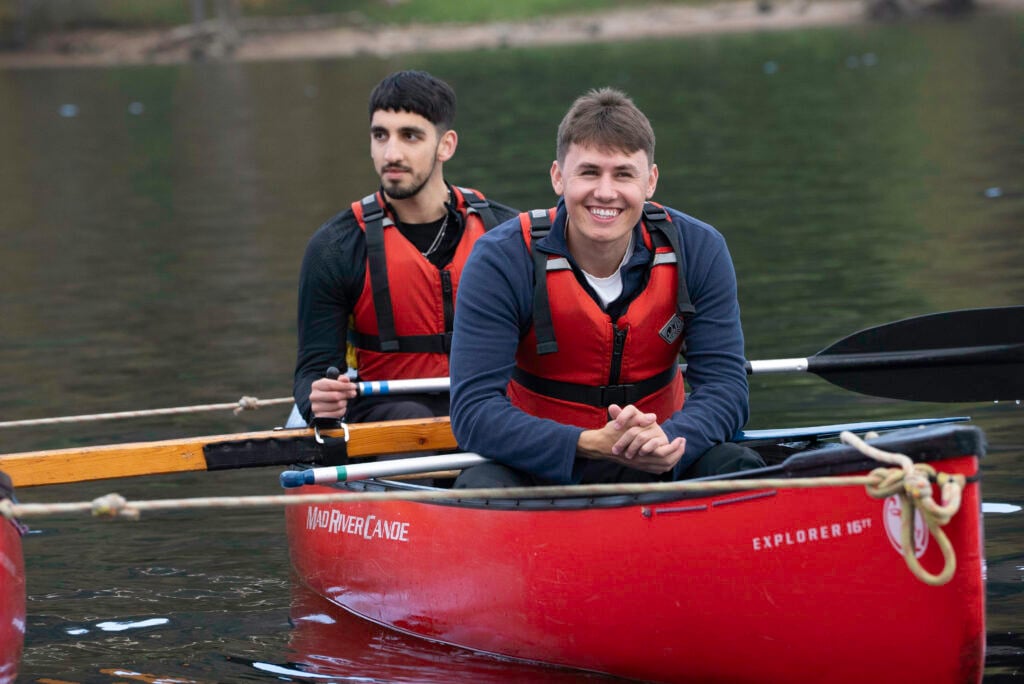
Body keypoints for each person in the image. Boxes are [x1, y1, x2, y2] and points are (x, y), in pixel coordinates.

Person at [450, 87, 765, 487]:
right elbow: (473, 412)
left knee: (737, 465)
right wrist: (586, 443)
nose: (605, 192)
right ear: (558, 177)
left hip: (663, 458)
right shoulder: (501, 258)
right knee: (482, 489)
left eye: (623, 174)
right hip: (538, 468)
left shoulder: (699, 248)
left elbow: (726, 388)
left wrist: (667, 437)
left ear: (649, 181)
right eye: (588, 172)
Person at [292, 70, 518, 428]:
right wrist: (316, 400)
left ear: (446, 145)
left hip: (489, 404)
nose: (391, 153)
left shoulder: (508, 233)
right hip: (388, 413)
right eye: (380, 136)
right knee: (411, 418)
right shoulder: (334, 248)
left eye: (410, 136)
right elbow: (312, 371)